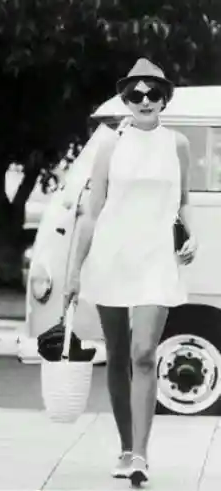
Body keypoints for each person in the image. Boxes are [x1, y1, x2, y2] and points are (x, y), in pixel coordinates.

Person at [65, 58, 197, 486]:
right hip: (111, 257)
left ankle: (141, 455)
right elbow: (91, 211)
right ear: (125, 99)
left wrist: (191, 235)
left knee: (144, 353)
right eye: (135, 94)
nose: (144, 100)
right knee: (118, 354)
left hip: (157, 258)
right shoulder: (109, 145)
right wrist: (73, 272)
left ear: (164, 98)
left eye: (153, 93)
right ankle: (125, 446)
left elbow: (184, 200)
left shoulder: (178, 144)